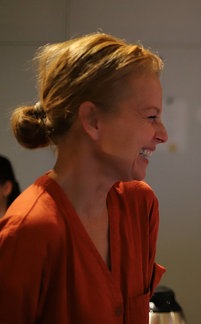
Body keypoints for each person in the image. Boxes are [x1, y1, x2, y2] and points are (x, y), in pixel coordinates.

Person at [0, 32, 168, 323]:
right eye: (151, 116)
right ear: (92, 121)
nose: (163, 135)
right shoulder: (28, 232)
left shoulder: (140, 205)